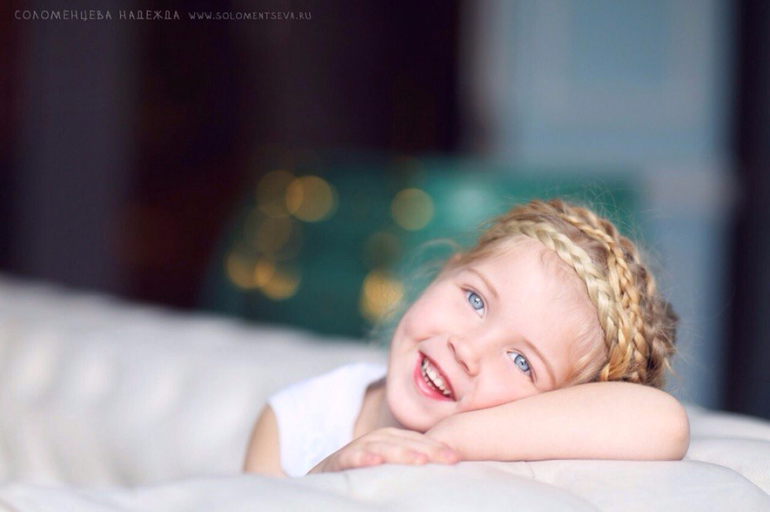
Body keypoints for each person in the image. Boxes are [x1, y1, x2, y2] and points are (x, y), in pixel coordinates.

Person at [243, 199, 689, 477]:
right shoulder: (296, 422)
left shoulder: (501, 444)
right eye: (475, 299)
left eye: (521, 361)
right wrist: (326, 476)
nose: (468, 349)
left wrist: (451, 437)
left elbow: (663, 423)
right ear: (446, 270)